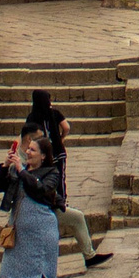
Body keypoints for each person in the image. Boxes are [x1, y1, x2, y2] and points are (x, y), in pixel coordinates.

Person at [0, 126, 66, 278]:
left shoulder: (51, 173)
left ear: (43, 156)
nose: (29, 153)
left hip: (43, 232)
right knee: (11, 274)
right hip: (20, 233)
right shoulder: (17, 169)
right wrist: (5, 167)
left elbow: (40, 190)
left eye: (33, 150)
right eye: (28, 149)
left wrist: (22, 171)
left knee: (42, 275)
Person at [25, 89, 107, 268]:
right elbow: (67, 127)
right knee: (61, 188)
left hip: (44, 206)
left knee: (74, 214)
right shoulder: (54, 114)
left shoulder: (31, 120)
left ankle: (89, 255)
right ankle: (87, 255)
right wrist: (60, 140)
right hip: (38, 213)